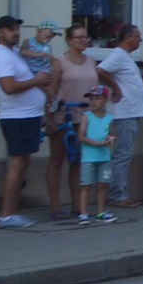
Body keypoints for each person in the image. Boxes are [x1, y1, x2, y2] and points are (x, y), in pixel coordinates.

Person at [0, 16, 51, 228]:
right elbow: (8, 87)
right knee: (17, 164)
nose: (16, 32)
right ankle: (6, 215)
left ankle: (13, 212)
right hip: (17, 117)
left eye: (17, 29)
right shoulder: (1, 56)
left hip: (27, 116)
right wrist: (37, 81)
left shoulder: (13, 54)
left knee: (22, 163)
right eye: (10, 29)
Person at [45, 23, 102, 219]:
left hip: (85, 117)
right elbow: (50, 91)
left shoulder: (91, 61)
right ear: (69, 40)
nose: (84, 40)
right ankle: (55, 206)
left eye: (86, 37)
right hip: (64, 116)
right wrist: (49, 119)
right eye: (79, 37)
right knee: (57, 159)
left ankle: (79, 205)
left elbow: (96, 89)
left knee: (79, 161)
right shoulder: (59, 62)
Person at [95, 24, 143, 208]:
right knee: (122, 155)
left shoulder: (125, 57)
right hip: (125, 112)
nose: (140, 40)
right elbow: (100, 71)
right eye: (138, 36)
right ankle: (117, 194)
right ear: (128, 38)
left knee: (123, 154)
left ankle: (119, 191)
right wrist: (116, 89)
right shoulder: (118, 55)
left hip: (131, 112)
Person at [75, 86, 116, 223]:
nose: (93, 102)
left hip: (104, 157)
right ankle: (83, 214)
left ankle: (100, 212)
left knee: (102, 185)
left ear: (105, 100)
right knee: (86, 185)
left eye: (97, 99)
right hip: (89, 157)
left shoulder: (109, 118)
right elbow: (81, 136)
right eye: (91, 99)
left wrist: (110, 139)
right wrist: (96, 144)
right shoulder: (86, 116)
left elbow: (110, 133)